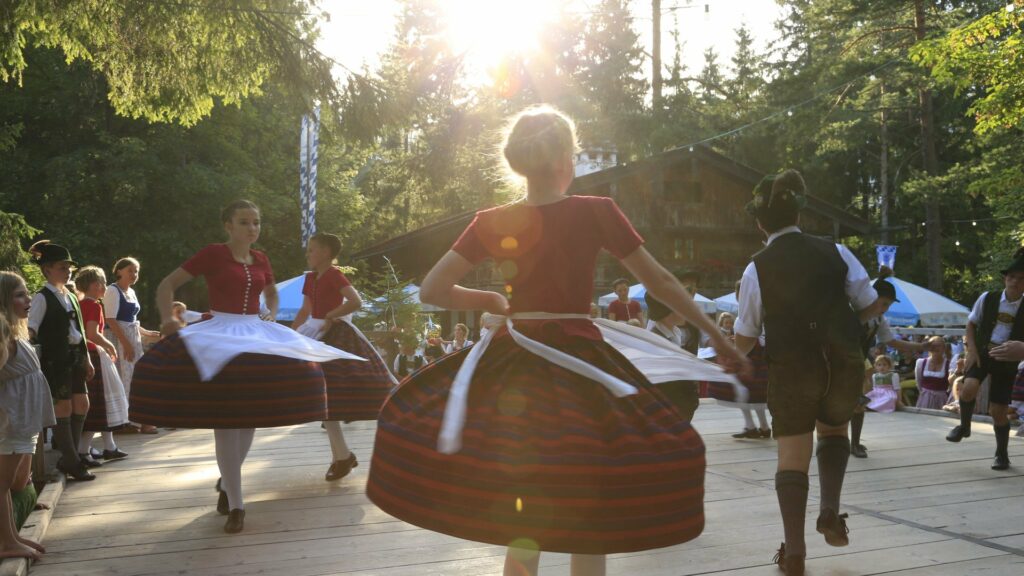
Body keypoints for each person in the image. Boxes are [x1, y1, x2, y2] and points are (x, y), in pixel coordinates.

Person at [366, 106, 748, 576]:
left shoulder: (491, 219)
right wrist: (718, 339)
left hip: (512, 369)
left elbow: (432, 290)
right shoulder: (596, 211)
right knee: (590, 512)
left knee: (523, 510)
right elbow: (663, 283)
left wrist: (490, 296)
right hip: (580, 368)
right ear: (567, 157)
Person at [129, 200, 362, 533]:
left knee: (251, 413)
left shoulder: (262, 259)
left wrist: (270, 311)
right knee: (226, 418)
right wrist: (167, 319)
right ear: (228, 226)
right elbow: (167, 285)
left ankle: (227, 484)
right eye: (244, 222)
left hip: (254, 332)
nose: (252, 228)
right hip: (221, 331)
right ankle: (237, 505)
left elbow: (271, 294)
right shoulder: (213, 253)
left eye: (256, 222)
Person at [734, 169, 877, 575]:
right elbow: (867, 305)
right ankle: (830, 510)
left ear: (760, 222)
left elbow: (745, 336)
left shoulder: (756, 268)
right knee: (834, 432)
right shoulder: (837, 252)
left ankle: (794, 552)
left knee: (791, 457)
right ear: (799, 215)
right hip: (840, 363)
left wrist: (718, 355)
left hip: (792, 368)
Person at [291, 232, 397, 482]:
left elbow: (356, 301)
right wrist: (290, 333)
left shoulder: (334, 275)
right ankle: (342, 457)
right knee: (323, 397)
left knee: (329, 395)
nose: (308, 254)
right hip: (313, 332)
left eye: (312, 250)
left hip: (335, 333)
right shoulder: (309, 279)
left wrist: (331, 316)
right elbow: (305, 309)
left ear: (326, 253)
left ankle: (343, 456)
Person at [849, 270, 942, 458]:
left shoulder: (879, 319)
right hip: (837, 360)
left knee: (858, 403)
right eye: (883, 303)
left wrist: (921, 345)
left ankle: (854, 443)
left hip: (856, 362)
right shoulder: (851, 309)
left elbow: (892, 341)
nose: (885, 308)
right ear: (871, 297)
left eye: (888, 305)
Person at [946, 248, 1024, 471]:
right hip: (982, 352)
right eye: (1011, 277)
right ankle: (964, 427)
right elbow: (971, 323)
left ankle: (1002, 454)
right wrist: (971, 350)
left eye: (1021, 279)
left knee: (997, 411)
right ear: (1004, 278)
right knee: (967, 387)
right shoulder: (988, 298)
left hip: (1008, 358)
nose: (1015, 282)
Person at [26, 241, 97, 481]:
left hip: (76, 356)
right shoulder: (41, 298)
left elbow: (80, 331)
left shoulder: (72, 297)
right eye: (61, 267)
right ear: (47, 269)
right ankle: (73, 461)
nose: (67, 271)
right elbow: (30, 329)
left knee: (83, 405)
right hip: (56, 360)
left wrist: (87, 359)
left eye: (68, 267)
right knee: (63, 407)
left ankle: (69, 458)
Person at [0, 271, 56, 560]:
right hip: (12, 421)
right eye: (20, 294)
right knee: (2, 483)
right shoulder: (4, 334)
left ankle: (12, 536)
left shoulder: (16, 330)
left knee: (11, 483)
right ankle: (6, 543)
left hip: (24, 420)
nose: (28, 299)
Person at [75, 266, 129, 462]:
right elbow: (92, 334)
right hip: (94, 354)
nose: (105, 286)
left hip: (84, 354)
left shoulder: (78, 303)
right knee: (100, 403)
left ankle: (109, 446)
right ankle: (83, 450)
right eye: (103, 283)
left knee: (101, 402)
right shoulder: (94, 306)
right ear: (96, 285)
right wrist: (110, 346)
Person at [103, 257, 161, 434]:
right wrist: (126, 344)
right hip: (119, 340)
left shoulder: (132, 292)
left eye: (136, 271)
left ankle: (138, 419)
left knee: (137, 379)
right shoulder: (112, 291)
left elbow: (132, 321)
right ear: (119, 271)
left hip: (132, 339)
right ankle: (126, 422)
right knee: (125, 379)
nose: (134, 274)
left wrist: (147, 333)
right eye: (130, 270)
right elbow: (111, 320)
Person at [915, 336, 950, 410]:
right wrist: (925, 394)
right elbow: (919, 382)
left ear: (944, 348)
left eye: (938, 345)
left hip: (941, 399)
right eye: (933, 346)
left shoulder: (948, 364)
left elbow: (950, 386)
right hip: (925, 398)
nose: (935, 348)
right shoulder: (921, 363)